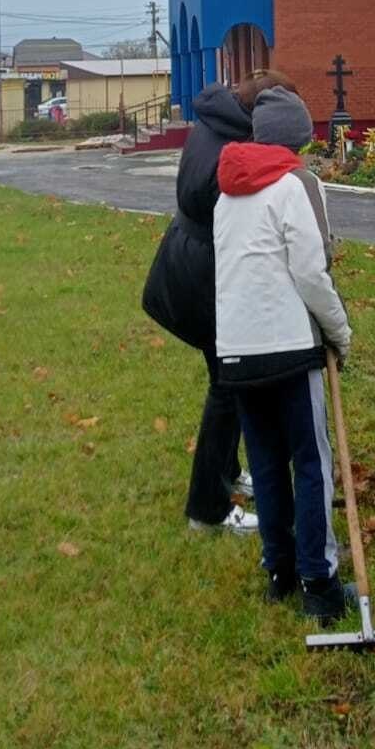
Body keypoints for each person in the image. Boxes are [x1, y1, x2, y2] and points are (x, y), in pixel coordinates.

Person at [214, 88, 354, 623]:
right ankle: (318, 582)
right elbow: (312, 276)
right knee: (312, 465)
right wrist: (339, 333)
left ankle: (279, 571)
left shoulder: (226, 193)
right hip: (290, 351)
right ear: (296, 138)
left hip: (238, 354)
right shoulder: (292, 187)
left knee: (267, 465)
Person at [142, 69, 296, 534]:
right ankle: (207, 509)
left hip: (190, 262)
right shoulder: (230, 148)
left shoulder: (215, 121)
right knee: (228, 387)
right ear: (259, 111)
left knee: (224, 379)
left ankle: (226, 473)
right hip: (200, 273)